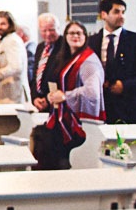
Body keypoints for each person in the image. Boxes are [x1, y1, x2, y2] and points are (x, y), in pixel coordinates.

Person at [38, 21, 104, 169]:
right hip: (63, 118)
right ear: (65, 36)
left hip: (79, 123)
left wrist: (65, 96)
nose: (75, 36)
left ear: (85, 36)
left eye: (79, 33)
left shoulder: (88, 60)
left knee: (66, 162)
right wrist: (52, 96)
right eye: (71, 33)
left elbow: (92, 92)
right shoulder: (68, 57)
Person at [88, 0, 136, 123]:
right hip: (101, 108)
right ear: (104, 15)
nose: (121, 16)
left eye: (123, 12)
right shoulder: (91, 42)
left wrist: (125, 85)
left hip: (130, 109)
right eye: (116, 12)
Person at [0, 10, 28, 103]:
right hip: (6, 92)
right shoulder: (3, 40)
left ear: (10, 24)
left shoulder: (12, 41)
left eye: (3, 24)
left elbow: (16, 67)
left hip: (14, 93)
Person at [29, 14, 61, 111]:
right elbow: (36, 75)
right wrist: (34, 98)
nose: (48, 34)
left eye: (51, 30)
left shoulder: (65, 47)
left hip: (56, 102)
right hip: (39, 102)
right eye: (44, 30)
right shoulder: (40, 47)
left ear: (58, 28)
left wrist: (48, 99)